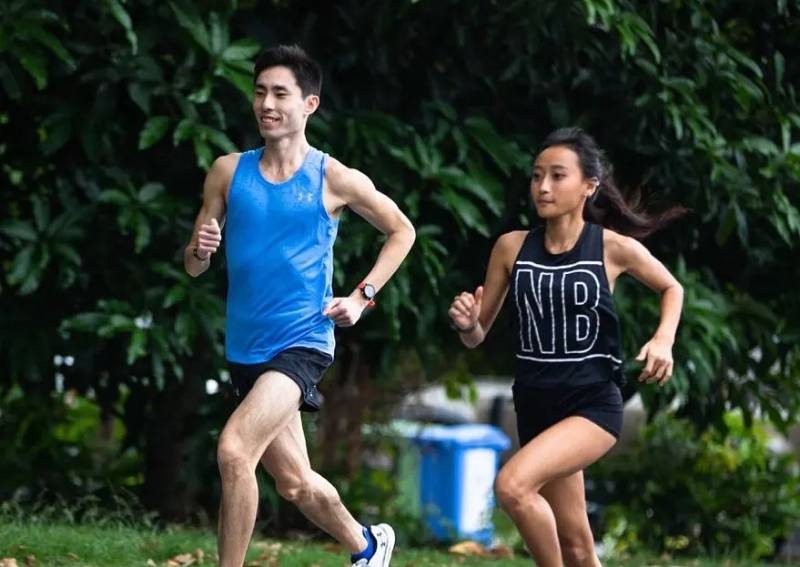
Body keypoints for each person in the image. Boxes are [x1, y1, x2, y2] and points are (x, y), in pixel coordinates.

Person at [184, 44, 415, 567]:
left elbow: (402, 230)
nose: (266, 103)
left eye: (280, 93)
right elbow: (194, 265)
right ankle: (368, 545)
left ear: (309, 104)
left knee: (234, 450)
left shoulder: (333, 178)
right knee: (294, 483)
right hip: (245, 346)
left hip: (301, 342)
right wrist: (198, 250)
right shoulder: (226, 172)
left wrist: (363, 297)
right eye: (260, 91)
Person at [448, 127, 684, 567]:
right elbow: (478, 334)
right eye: (537, 176)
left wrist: (663, 340)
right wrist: (466, 325)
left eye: (558, 176)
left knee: (513, 487)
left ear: (588, 187)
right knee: (576, 546)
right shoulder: (511, 247)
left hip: (591, 404)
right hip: (536, 406)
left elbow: (672, 287)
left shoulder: (611, 247)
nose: (543, 186)